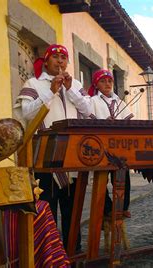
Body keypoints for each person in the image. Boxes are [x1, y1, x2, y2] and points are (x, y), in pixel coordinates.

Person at [15, 44, 93, 252]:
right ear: (46, 61)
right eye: (55, 57)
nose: (60, 61)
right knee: (48, 210)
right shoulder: (33, 83)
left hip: (74, 158)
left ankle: (72, 253)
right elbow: (26, 114)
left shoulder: (75, 84)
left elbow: (88, 110)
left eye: (64, 57)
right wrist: (50, 92)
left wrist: (70, 90)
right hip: (46, 158)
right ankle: (49, 256)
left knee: (73, 210)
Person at [87, 69, 133, 218]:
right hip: (101, 145)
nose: (107, 84)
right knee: (101, 177)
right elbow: (88, 122)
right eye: (103, 81)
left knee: (122, 176)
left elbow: (130, 123)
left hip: (119, 145)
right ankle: (106, 208)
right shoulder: (92, 101)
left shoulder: (120, 102)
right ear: (96, 84)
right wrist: (103, 123)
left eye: (109, 81)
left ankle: (122, 207)